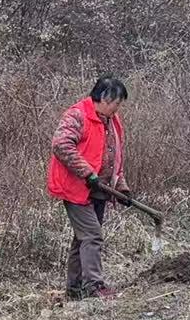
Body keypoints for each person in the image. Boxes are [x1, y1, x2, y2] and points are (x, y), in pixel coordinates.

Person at [46, 76, 129, 300]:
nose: (118, 108)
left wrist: (121, 187)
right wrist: (87, 172)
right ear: (104, 98)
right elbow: (61, 145)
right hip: (76, 187)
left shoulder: (112, 121)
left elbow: (114, 156)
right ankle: (94, 286)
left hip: (100, 188)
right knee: (92, 235)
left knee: (82, 238)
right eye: (117, 103)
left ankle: (74, 289)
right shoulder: (77, 115)